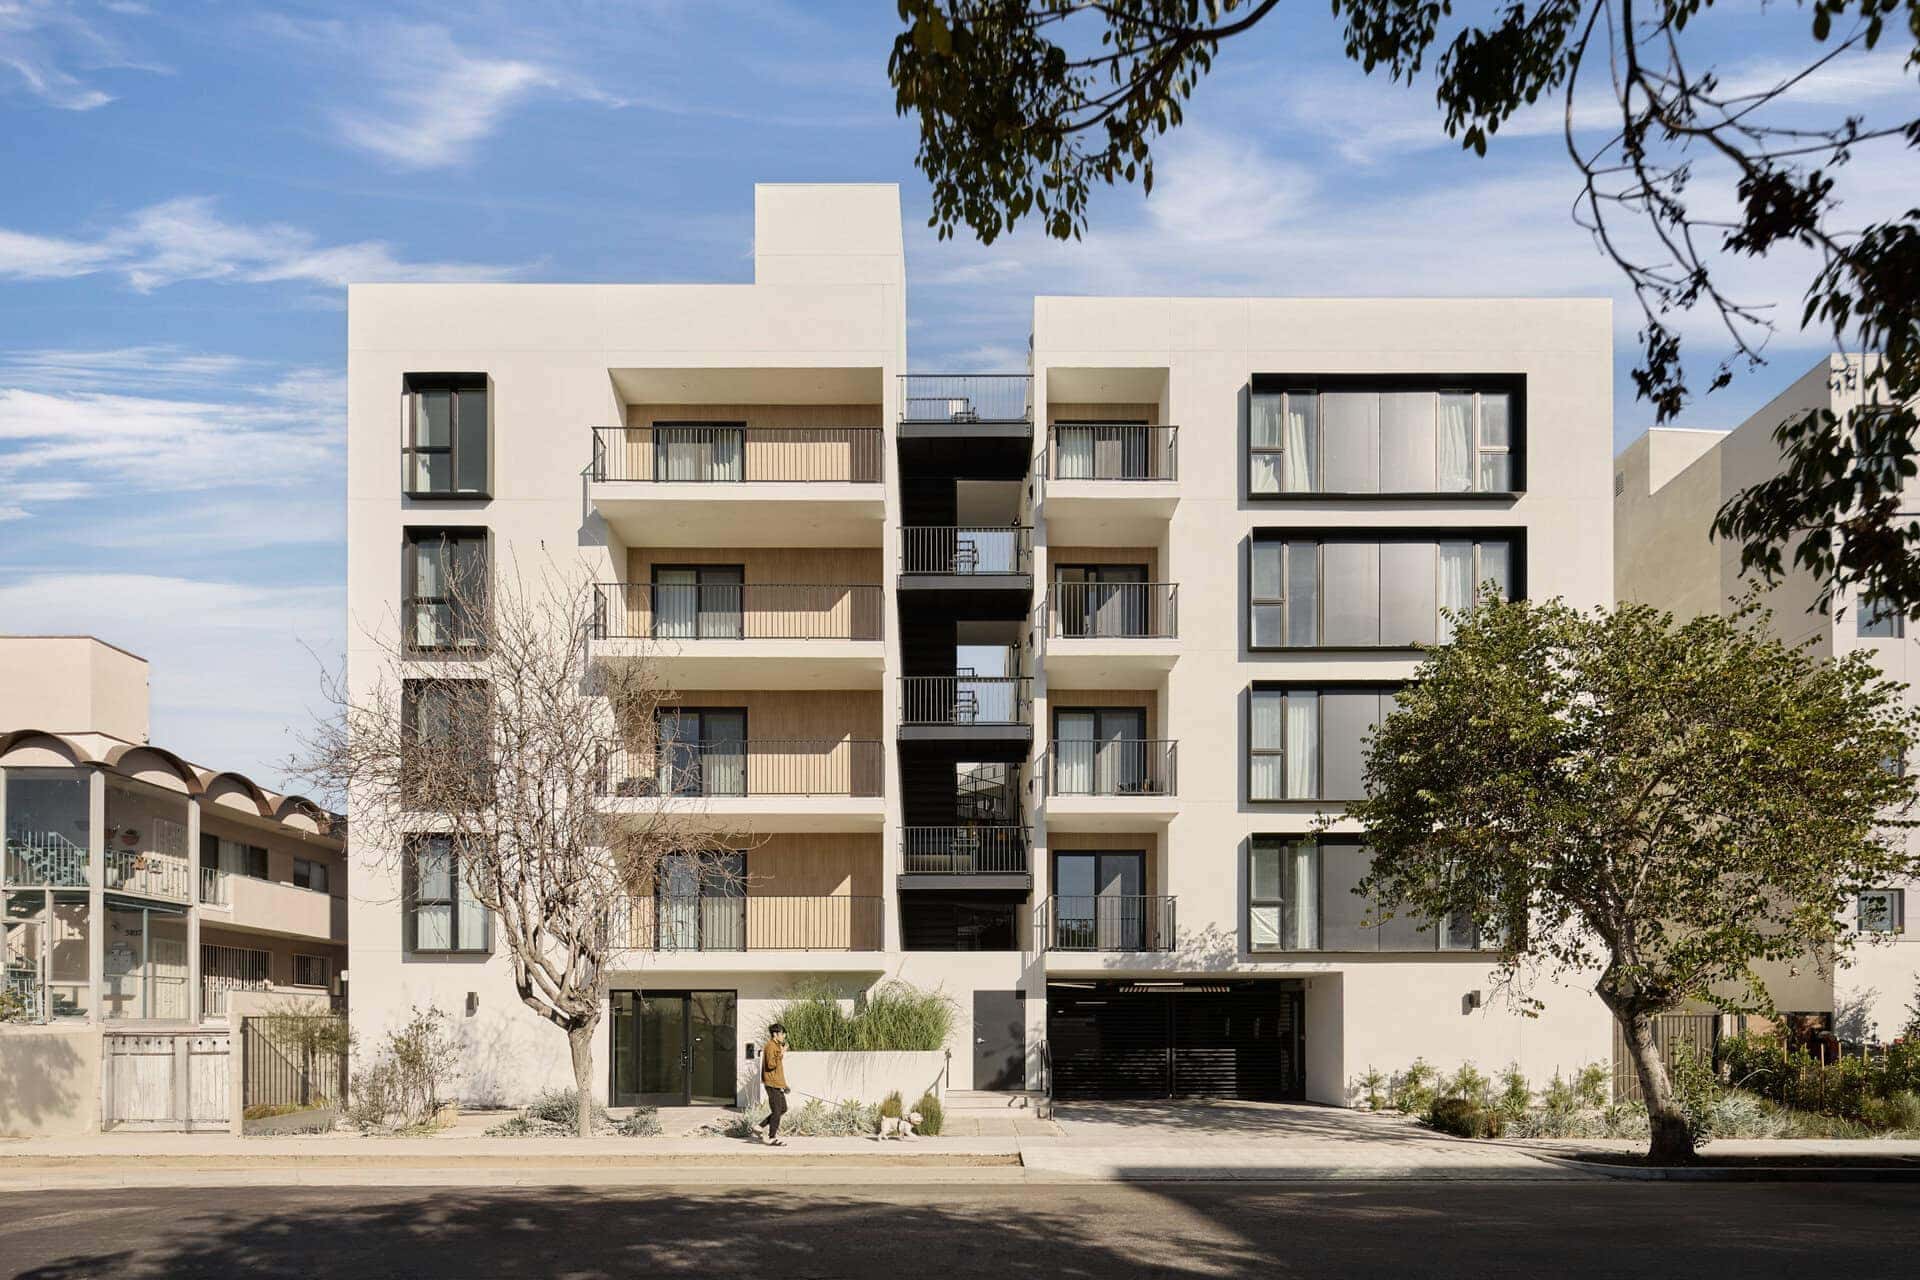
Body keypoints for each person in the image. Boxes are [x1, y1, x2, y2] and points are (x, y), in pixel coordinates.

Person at [757, 1023, 790, 1145]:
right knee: (777, 1111)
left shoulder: (776, 1046)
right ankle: (771, 1137)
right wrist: (781, 1053)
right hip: (772, 1084)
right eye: (782, 1033)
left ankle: (759, 1126)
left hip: (777, 1083)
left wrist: (784, 1085)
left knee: (783, 1108)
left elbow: (778, 1070)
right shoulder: (771, 1046)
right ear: (775, 1034)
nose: (784, 1036)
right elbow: (771, 1065)